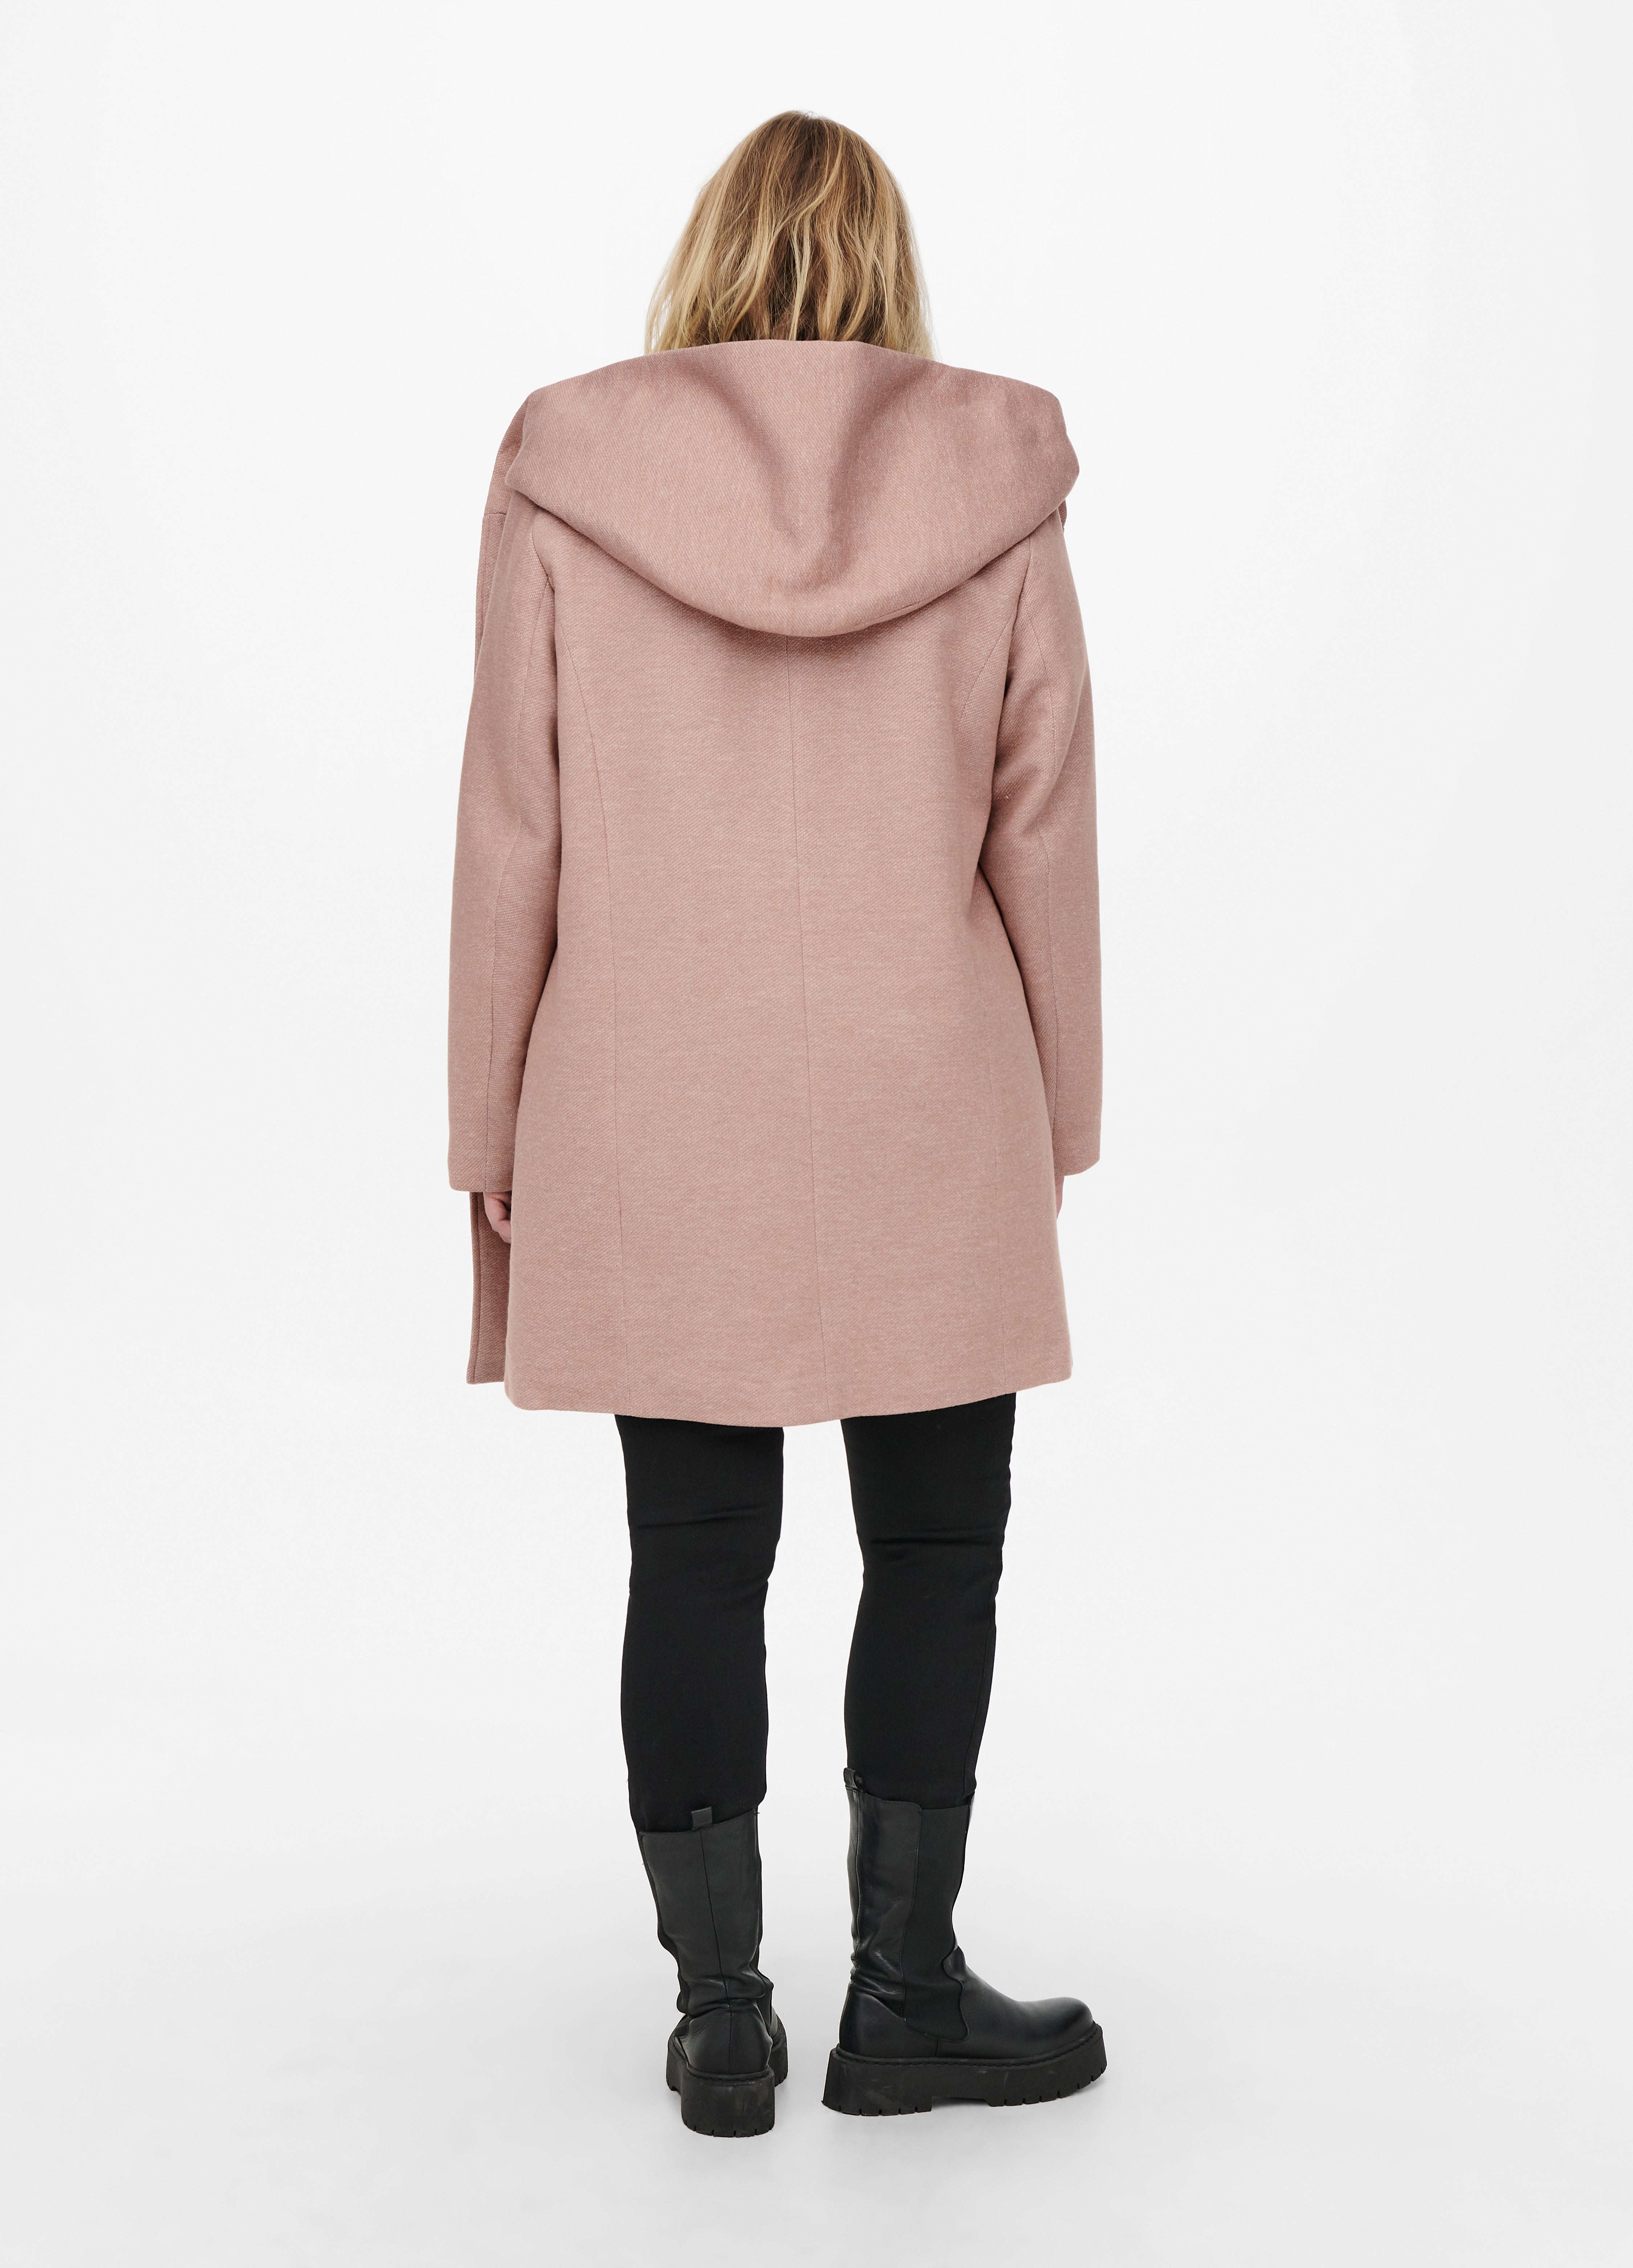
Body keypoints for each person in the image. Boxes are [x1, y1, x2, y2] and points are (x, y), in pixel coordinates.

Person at [448, 111, 1103, 2138]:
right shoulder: (995, 486)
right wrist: (1059, 1119)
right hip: (930, 1085)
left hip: (653, 1093)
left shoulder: (567, 475)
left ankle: (723, 2019)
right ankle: (905, 1997)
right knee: (940, 1543)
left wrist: (491, 1121)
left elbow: (513, 824)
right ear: (886, 266)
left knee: (694, 1551)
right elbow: (1044, 828)